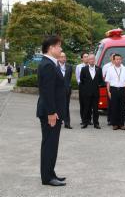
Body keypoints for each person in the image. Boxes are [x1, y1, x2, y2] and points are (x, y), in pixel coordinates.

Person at [36, 35, 66, 186]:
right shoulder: (48, 65)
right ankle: (47, 178)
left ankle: (50, 173)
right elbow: (47, 92)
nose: (61, 49)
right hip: (50, 113)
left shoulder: (50, 63)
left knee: (51, 144)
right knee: (49, 144)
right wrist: (51, 113)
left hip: (53, 111)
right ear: (51, 48)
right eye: (59, 46)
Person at [105, 54, 125, 130]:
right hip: (113, 89)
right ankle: (115, 124)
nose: (118, 60)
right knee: (114, 107)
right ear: (113, 60)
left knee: (122, 107)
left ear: (121, 60)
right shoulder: (110, 69)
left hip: (123, 89)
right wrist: (108, 91)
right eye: (116, 59)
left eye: (119, 59)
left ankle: (122, 124)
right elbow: (108, 82)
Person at [80, 54, 104, 129]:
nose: (92, 60)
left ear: (95, 60)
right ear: (88, 60)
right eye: (90, 59)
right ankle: (85, 123)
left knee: (96, 109)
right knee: (86, 108)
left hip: (96, 92)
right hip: (87, 93)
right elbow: (82, 80)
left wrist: (97, 85)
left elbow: (101, 80)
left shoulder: (99, 69)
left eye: (93, 59)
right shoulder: (84, 69)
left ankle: (96, 123)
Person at [58, 52, 73, 129]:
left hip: (67, 90)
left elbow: (69, 79)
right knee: (58, 106)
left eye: (64, 56)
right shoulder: (55, 66)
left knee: (66, 106)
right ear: (58, 58)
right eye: (61, 57)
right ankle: (58, 121)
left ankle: (67, 123)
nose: (63, 58)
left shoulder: (69, 67)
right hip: (57, 91)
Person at [75, 52, 91, 125]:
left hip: (90, 88)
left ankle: (89, 119)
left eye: (87, 56)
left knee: (90, 104)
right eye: (85, 57)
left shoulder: (92, 66)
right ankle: (83, 119)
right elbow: (78, 78)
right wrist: (83, 85)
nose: (86, 58)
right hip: (82, 88)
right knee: (83, 104)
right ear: (82, 59)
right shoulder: (79, 67)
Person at [102, 53, 115, 126]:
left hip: (117, 87)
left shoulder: (120, 66)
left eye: (115, 57)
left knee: (116, 104)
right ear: (110, 58)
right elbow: (103, 77)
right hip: (109, 86)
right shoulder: (106, 66)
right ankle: (109, 119)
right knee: (110, 103)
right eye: (112, 57)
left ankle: (115, 119)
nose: (114, 58)